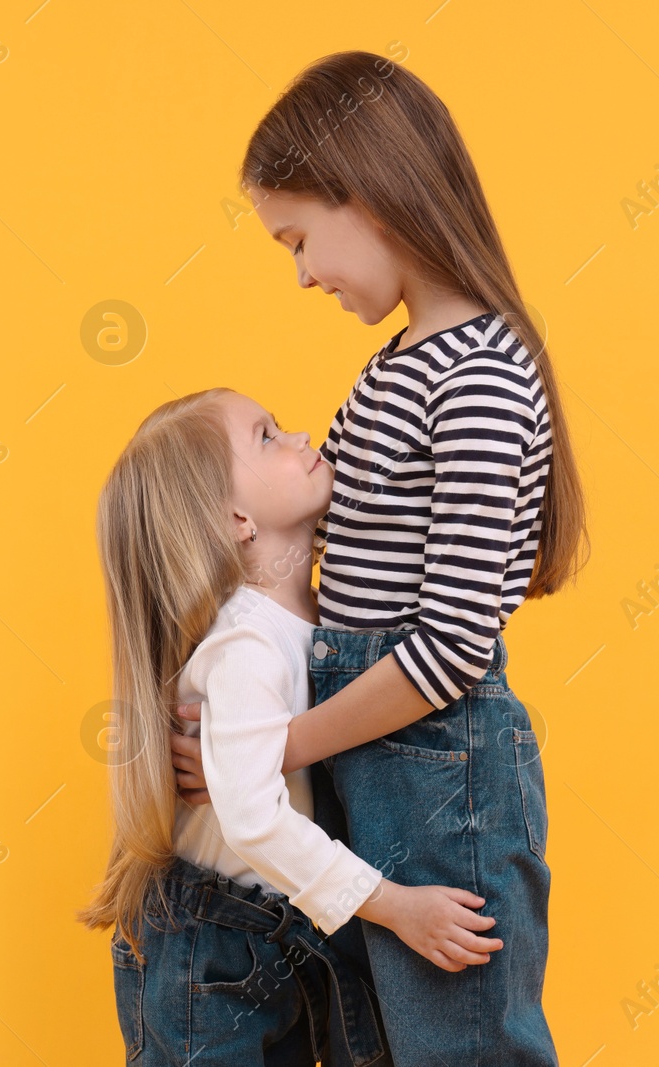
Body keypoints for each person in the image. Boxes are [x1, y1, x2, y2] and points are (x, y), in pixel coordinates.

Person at [169, 51, 589, 1066]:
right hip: (383, 758)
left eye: (301, 237)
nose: (303, 272)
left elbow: (447, 645)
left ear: (373, 195)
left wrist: (278, 747)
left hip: (441, 769)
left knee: (463, 1047)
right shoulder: (406, 362)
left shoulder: (479, 372)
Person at [78, 388, 505, 1066]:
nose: (304, 435)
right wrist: (396, 906)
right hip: (217, 948)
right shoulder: (247, 642)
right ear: (238, 519)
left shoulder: (324, 614)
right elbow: (253, 820)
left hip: (289, 934)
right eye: (268, 435)